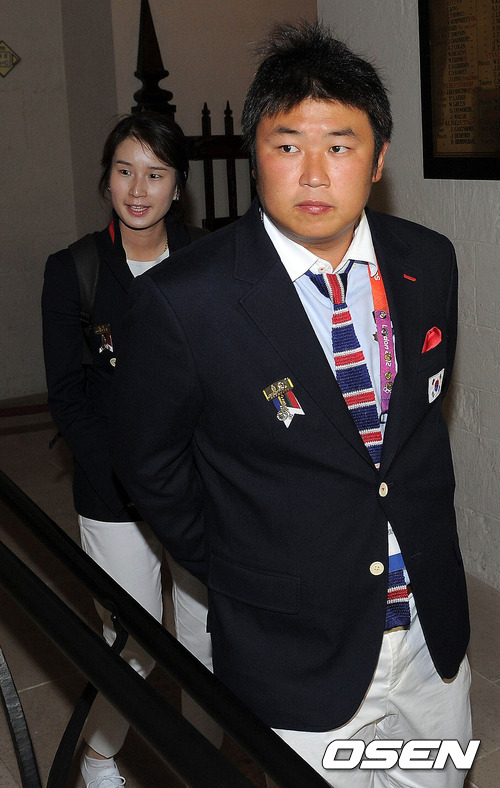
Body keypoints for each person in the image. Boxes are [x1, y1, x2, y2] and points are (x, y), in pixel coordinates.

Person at [110, 24, 472, 788]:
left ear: (378, 160)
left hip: (427, 634)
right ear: (254, 156)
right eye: (287, 146)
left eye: (339, 146)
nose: (313, 173)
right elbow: (150, 463)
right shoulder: (185, 300)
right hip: (295, 647)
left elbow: (412, 435)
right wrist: (239, 562)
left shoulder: (428, 261)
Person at [42, 112, 221, 788]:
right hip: (113, 489)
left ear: (179, 185)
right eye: (125, 171)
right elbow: (67, 396)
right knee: (133, 643)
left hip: (198, 485)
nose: (138, 190)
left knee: (207, 643)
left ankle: (202, 764)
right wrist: (125, 477)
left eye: (155, 173)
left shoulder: (209, 260)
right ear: (106, 179)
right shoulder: (76, 269)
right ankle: (100, 756)